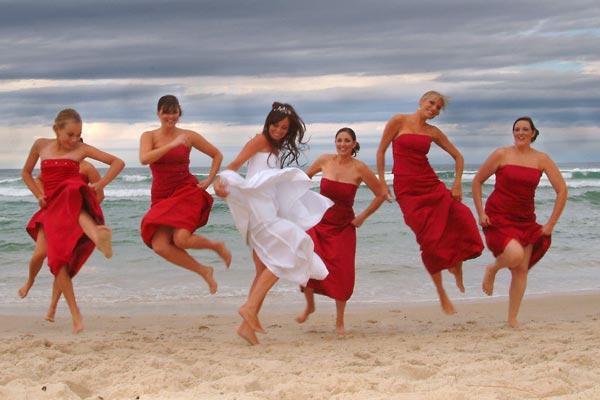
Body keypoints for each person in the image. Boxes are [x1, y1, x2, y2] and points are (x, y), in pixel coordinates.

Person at [214, 102, 333, 345]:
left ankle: (247, 326)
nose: (278, 130)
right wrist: (221, 183)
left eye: (283, 127)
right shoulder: (258, 141)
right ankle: (249, 308)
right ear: (267, 124)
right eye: (275, 125)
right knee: (290, 250)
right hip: (260, 213)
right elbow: (234, 165)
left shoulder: (275, 149)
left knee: (262, 270)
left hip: (267, 208)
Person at [376, 91, 483, 314]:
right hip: (407, 189)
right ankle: (441, 293)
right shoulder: (399, 121)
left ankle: (456, 265)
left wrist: (456, 185)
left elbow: (459, 157)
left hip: (430, 184)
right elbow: (381, 150)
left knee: (462, 217)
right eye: (432, 103)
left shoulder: (433, 132)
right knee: (429, 241)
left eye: (438, 108)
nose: (434, 109)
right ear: (421, 101)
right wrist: (382, 184)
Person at [22, 108, 125, 333]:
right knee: (47, 258)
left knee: (73, 189)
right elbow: (27, 174)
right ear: (56, 129)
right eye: (70, 134)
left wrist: (100, 185)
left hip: (71, 205)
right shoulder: (41, 145)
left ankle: (98, 237)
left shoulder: (82, 153)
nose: (75, 139)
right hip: (50, 209)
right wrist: (38, 195)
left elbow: (117, 162)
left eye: (78, 134)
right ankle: (40, 289)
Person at [472, 116, 567, 328]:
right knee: (514, 255)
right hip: (498, 216)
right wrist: (480, 213)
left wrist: (551, 223)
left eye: (525, 129)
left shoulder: (542, 159)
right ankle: (493, 269)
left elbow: (562, 190)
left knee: (521, 270)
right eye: (517, 129)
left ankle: (512, 319)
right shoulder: (501, 154)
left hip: (525, 219)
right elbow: (477, 181)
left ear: (533, 133)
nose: (521, 133)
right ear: (513, 132)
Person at [296, 127, 386, 335]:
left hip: (344, 226)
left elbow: (381, 194)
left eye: (347, 141)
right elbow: (301, 181)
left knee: (342, 273)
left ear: (354, 144)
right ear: (335, 142)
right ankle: (309, 305)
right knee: (307, 260)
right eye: (339, 140)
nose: (343, 144)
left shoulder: (360, 168)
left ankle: (340, 323)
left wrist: (362, 217)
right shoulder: (324, 160)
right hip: (320, 222)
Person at [140, 95, 231, 295]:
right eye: (166, 111)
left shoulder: (189, 136)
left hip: (185, 192)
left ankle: (216, 246)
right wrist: (172, 145)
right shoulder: (149, 136)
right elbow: (144, 159)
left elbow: (217, 155)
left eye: (174, 112)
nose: (170, 116)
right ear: (158, 113)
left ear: (179, 113)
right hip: (161, 196)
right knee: (160, 246)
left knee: (181, 239)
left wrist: (208, 180)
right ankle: (204, 270)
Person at [19, 158, 104, 323]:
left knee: (62, 264)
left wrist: (84, 210)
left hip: (72, 221)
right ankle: (30, 281)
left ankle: (52, 307)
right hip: (51, 215)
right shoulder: (56, 165)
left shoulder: (87, 168)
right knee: (40, 253)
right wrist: (42, 195)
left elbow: (100, 194)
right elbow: (38, 179)